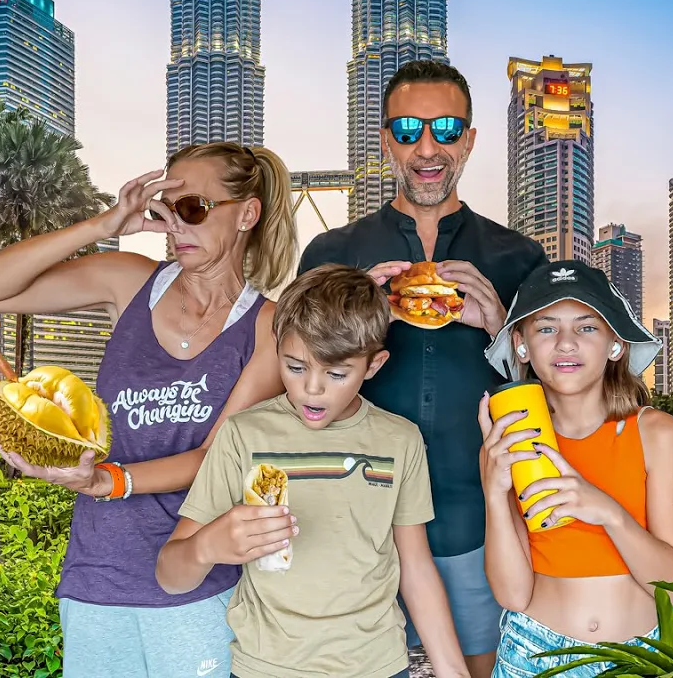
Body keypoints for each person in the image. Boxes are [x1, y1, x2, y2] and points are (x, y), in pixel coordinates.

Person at [0, 142, 299, 678]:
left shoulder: (269, 327)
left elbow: (217, 457)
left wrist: (107, 482)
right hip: (97, 574)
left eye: (192, 208)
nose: (175, 225)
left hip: (198, 583)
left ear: (247, 213)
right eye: (164, 210)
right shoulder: (131, 280)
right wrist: (104, 223)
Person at [297, 59, 548, 677]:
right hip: (350, 522)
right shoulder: (331, 254)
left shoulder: (520, 257)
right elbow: (295, 382)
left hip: (478, 526)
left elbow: (560, 399)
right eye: (408, 129)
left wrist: (502, 333)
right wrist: (354, 314)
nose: (427, 147)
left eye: (446, 128)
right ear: (386, 139)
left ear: (470, 140)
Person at [156, 265, 470, 678]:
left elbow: (415, 567)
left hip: (378, 666)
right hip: (265, 669)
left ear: (373, 365)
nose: (312, 389)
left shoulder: (401, 440)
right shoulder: (243, 435)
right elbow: (170, 576)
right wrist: (207, 547)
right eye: (295, 367)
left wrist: (455, 672)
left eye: (337, 374)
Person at [478, 260, 673, 678]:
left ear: (615, 343)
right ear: (521, 344)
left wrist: (608, 512)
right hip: (530, 653)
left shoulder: (656, 433)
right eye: (546, 328)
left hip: (638, 658)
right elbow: (513, 595)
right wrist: (493, 493)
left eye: (586, 327)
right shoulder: (509, 440)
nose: (565, 344)